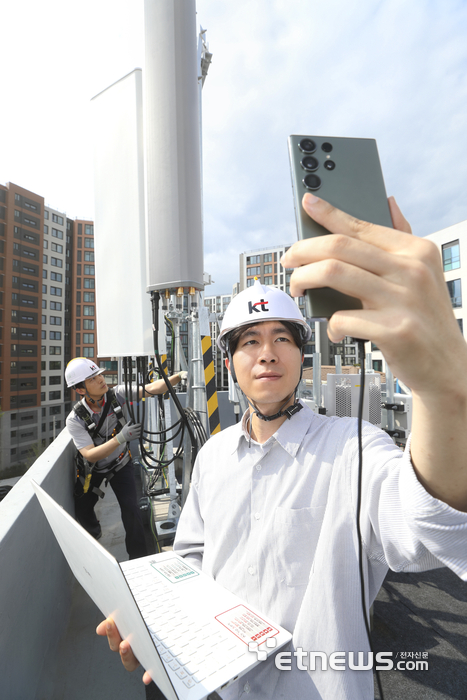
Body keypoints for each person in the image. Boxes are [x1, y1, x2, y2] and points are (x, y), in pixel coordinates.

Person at [97, 194, 467, 698]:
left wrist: (441, 393)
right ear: (229, 363)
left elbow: (431, 527)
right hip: (224, 686)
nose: (266, 353)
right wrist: (157, 622)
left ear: (300, 355)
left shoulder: (355, 449)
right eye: (249, 341)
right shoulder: (213, 458)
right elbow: (192, 563)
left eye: (282, 339)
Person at [65, 357, 183, 559]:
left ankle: (137, 558)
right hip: (94, 471)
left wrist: (178, 377)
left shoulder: (116, 395)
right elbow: (90, 454)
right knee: (83, 510)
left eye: (99, 375)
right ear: (80, 389)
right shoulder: (75, 419)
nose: (101, 379)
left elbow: (151, 388)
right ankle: (95, 534)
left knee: (131, 511)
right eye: (93, 379)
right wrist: (121, 437)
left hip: (121, 464)